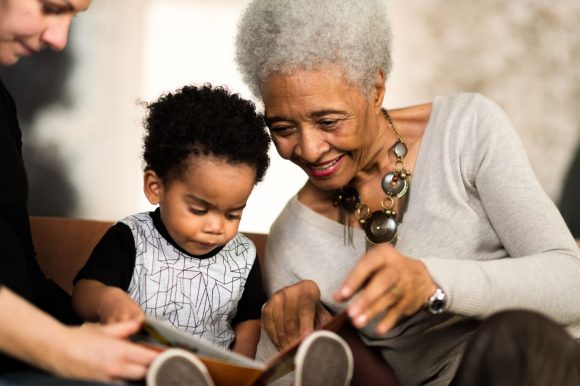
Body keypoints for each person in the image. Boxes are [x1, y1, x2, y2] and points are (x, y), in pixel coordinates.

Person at [234, 0, 580, 385]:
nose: (310, 149)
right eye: (282, 128)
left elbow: (571, 282)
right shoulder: (293, 239)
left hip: (541, 368)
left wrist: (432, 281)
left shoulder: (466, 129)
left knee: (508, 340)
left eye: (328, 121)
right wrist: (286, 339)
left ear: (376, 88)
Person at [71, 84, 354, 386]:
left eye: (233, 214)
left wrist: (239, 368)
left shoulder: (242, 255)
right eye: (199, 210)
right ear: (156, 188)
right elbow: (83, 292)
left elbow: (247, 321)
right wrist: (107, 301)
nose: (217, 226)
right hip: (136, 373)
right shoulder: (132, 238)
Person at [0, 0, 159, 385]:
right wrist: (63, 346)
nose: (59, 38)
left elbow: (22, 273)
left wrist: (105, 328)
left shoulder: (3, 106)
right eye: (52, 7)